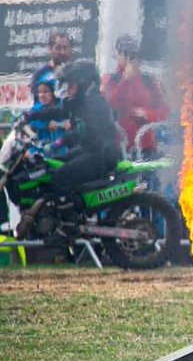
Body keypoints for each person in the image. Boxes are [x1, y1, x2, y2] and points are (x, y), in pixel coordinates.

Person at [14, 60, 122, 238]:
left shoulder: (95, 105)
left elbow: (87, 133)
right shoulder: (79, 103)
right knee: (50, 165)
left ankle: (68, 226)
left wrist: (59, 141)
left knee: (59, 178)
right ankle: (57, 215)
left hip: (102, 156)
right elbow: (56, 111)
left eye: (71, 84)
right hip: (90, 151)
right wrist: (29, 115)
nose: (68, 89)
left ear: (85, 83)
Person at [103, 35, 168, 158]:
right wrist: (125, 80)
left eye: (133, 54)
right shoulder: (110, 79)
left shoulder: (149, 81)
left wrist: (148, 114)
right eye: (125, 53)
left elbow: (164, 109)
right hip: (120, 147)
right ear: (118, 55)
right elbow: (111, 104)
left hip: (146, 146)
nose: (130, 59)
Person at [25, 81, 68, 156]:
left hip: (61, 148)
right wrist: (32, 133)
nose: (42, 95)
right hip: (41, 149)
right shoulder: (36, 109)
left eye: (46, 91)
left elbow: (70, 123)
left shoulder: (62, 106)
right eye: (39, 92)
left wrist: (58, 124)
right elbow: (23, 123)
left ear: (53, 92)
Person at [30, 32, 72, 96]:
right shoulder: (40, 75)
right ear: (50, 49)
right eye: (58, 48)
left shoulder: (75, 73)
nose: (62, 52)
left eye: (65, 48)